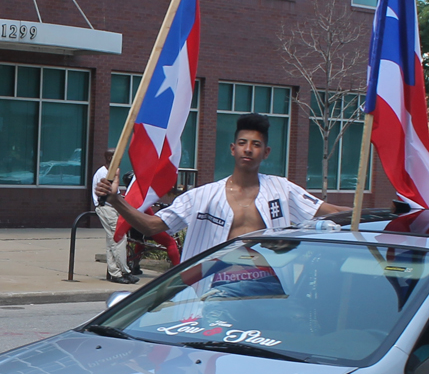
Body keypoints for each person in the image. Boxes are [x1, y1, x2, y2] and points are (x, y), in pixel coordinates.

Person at [95, 113, 350, 262]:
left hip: (268, 287)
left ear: (266, 152)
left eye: (256, 144)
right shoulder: (203, 196)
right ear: (233, 148)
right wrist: (116, 199)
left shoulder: (282, 190)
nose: (248, 149)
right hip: (213, 289)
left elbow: (331, 211)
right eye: (242, 143)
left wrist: (384, 215)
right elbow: (151, 226)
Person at [92, 149, 139, 284]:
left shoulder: (112, 172)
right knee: (119, 238)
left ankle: (115, 273)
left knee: (112, 241)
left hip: (113, 208)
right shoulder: (104, 173)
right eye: (114, 156)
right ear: (108, 157)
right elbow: (107, 195)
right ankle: (125, 271)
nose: (117, 159)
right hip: (106, 208)